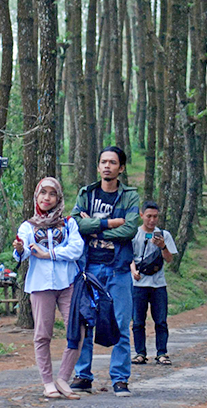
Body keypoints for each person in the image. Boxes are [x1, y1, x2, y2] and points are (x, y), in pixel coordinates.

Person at [70, 146, 140, 398]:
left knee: (121, 324)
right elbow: (75, 223)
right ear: (98, 166)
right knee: (85, 321)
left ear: (121, 168)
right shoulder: (86, 193)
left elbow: (130, 229)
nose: (107, 166)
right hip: (89, 268)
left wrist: (95, 230)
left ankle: (120, 379)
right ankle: (83, 375)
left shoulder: (130, 196)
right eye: (103, 162)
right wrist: (109, 224)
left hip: (118, 268)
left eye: (112, 162)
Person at [12, 177, 84, 400]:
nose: (47, 198)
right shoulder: (28, 226)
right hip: (41, 285)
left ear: (59, 198)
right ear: (36, 196)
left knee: (77, 331)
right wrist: (19, 248)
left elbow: (76, 249)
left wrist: (49, 254)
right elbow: (24, 253)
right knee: (43, 334)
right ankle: (47, 382)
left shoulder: (69, 223)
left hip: (68, 283)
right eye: (43, 193)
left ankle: (63, 377)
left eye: (52, 194)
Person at [129, 201, 177, 366]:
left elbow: (169, 259)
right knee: (138, 321)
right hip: (138, 284)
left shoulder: (164, 235)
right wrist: (133, 271)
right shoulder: (134, 234)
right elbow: (129, 256)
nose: (152, 220)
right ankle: (140, 353)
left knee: (161, 320)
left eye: (155, 217)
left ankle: (162, 353)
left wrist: (163, 246)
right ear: (141, 215)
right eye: (149, 216)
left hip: (158, 284)